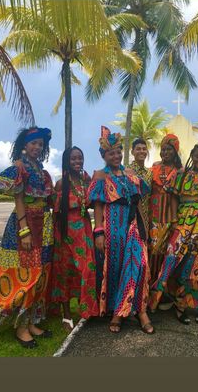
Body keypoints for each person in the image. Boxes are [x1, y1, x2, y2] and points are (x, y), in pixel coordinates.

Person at [149, 142, 198, 324]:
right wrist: (176, 220)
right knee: (175, 260)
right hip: (185, 224)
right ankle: (177, 304)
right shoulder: (182, 175)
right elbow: (174, 199)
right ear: (192, 156)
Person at [87, 126, 154, 334]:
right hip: (111, 227)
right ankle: (119, 310)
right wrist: (98, 232)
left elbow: (138, 200)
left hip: (132, 225)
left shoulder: (131, 173)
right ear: (104, 155)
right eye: (110, 153)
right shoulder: (100, 175)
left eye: (118, 152)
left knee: (138, 264)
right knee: (115, 269)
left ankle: (140, 311)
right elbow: (98, 205)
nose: (115, 156)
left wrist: (145, 229)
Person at [0, 127, 54, 348]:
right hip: (25, 225)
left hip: (43, 225)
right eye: (33, 143)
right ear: (24, 146)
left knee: (39, 276)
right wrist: (24, 230)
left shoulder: (41, 170)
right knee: (26, 275)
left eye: (40, 144)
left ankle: (29, 323)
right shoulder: (19, 168)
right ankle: (20, 328)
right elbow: (19, 201)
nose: (37, 147)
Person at [50, 147, 99, 331]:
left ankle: (85, 308)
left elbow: (93, 203)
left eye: (80, 158)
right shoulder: (62, 184)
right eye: (73, 159)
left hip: (84, 230)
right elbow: (55, 212)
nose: (77, 161)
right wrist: (54, 237)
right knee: (65, 272)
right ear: (66, 161)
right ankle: (67, 314)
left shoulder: (86, 181)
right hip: (65, 232)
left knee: (87, 269)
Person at [149, 134, 182, 289]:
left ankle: (162, 291)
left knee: (167, 254)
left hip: (171, 218)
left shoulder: (180, 171)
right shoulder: (154, 168)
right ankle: (149, 288)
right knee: (153, 252)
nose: (166, 152)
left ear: (175, 151)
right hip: (153, 217)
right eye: (163, 149)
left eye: (169, 149)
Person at [129, 138, 152, 234]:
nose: (142, 151)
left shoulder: (150, 173)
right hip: (131, 217)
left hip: (147, 217)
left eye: (144, 149)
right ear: (132, 152)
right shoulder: (127, 171)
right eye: (138, 149)